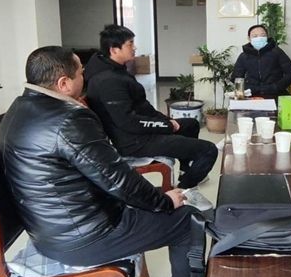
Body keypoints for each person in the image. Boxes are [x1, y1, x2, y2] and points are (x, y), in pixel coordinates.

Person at [0, 46, 193, 277]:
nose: (85, 77)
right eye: (80, 72)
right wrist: (164, 202)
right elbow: (116, 179)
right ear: (64, 84)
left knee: (145, 198)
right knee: (187, 220)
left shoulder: (18, 108)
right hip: (83, 239)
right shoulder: (69, 119)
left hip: (49, 232)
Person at [85, 24, 218, 189]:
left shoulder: (116, 70)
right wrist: (166, 125)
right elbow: (127, 121)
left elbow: (143, 107)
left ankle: (186, 171)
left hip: (139, 132)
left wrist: (166, 121)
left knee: (191, 125)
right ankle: (183, 191)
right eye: (130, 44)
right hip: (134, 142)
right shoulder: (108, 81)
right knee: (208, 150)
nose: (135, 48)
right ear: (114, 50)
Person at [231, 24, 291, 98]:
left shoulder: (277, 52)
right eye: (255, 36)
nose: (259, 38)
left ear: (267, 37)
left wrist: (276, 86)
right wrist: (249, 88)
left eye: (263, 35)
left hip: (275, 93)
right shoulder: (244, 56)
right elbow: (236, 78)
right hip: (251, 95)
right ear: (249, 38)